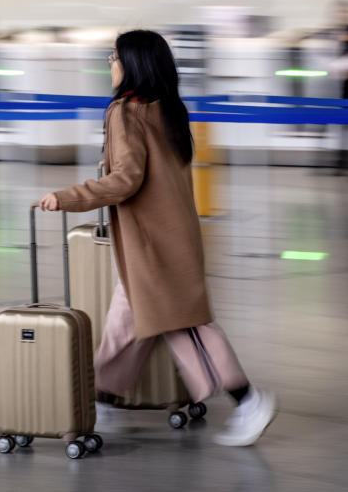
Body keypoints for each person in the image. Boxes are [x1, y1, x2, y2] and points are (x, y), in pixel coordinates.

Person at [38, 30, 277, 447]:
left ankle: (247, 401)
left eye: (114, 56)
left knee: (183, 327)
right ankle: (104, 400)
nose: (109, 64)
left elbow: (125, 180)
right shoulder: (168, 108)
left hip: (152, 242)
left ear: (134, 63)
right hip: (170, 233)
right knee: (125, 321)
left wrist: (67, 197)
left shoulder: (125, 112)